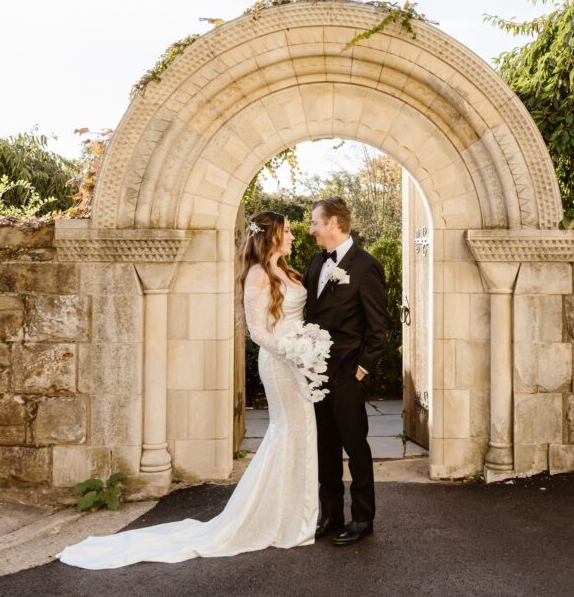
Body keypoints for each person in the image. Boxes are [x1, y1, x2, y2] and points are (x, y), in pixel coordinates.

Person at [57, 211, 317, 569]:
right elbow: (258, 332)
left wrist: (308, 348)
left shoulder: (286, 271)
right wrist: (291, 353)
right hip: (280, 363)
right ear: (270, 235)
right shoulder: (258, 275)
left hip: (297, 362)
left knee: (301, 432)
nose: (292, 235)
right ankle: (275, 518)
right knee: (288, 432)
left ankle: (294, 513)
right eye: (286, 231)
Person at [305, 196, 388, 546]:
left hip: (348, 373)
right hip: (316, 375)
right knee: (325, 447)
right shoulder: (316, 262)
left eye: (315, 223)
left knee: (355, 447)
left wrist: (361, 370)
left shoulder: (366, 266)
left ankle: (363, 518)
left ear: (334, 224)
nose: (311, 229)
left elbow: (378, 327)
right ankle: (331, 514)